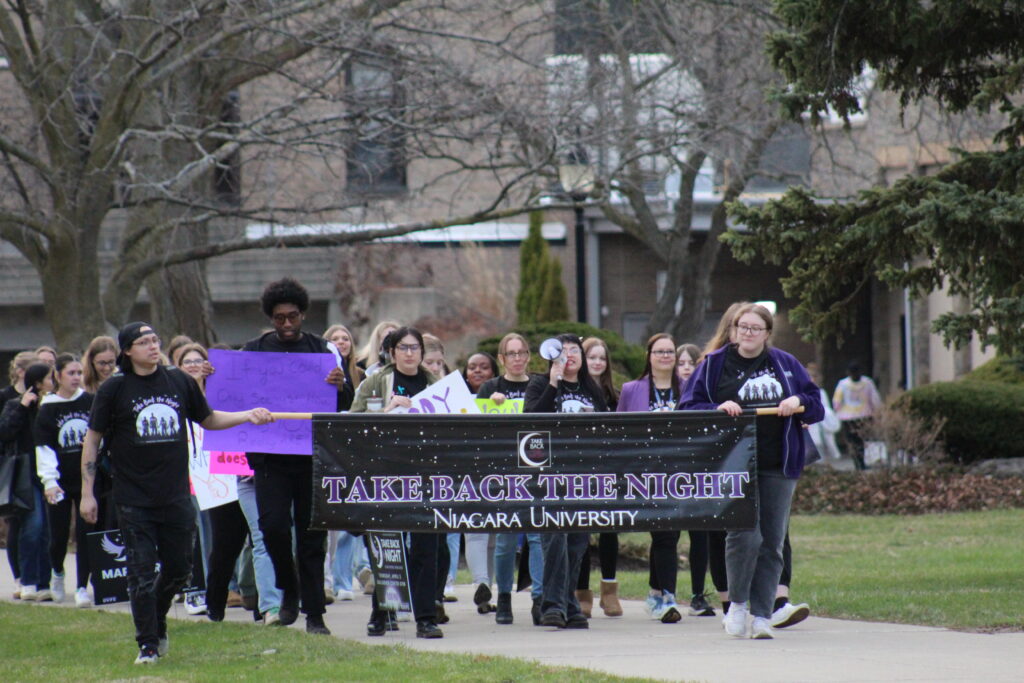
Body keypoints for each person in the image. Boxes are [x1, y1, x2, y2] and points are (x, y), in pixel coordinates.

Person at [79, 321, 274, 664]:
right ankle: (148, 645)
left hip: (176, 495)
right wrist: (87, 493)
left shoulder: (178, 380)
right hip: (133, 497)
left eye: (155, 341)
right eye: (143, 342)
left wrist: (247, 416)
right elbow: (92, 439)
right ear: (127, 351)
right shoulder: (114, 389)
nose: (153, 347)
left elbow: (209, 419)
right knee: (140, 575)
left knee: (178, 569)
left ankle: (156, 616)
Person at [681, 303, 823, 640]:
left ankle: (762, 615)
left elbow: (815, 403)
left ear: (767, 333)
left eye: (755, 328)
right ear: (732, 330)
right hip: (734, 465)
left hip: (779, 464)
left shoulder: (786, 364)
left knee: (772, 541)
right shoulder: (714, 365)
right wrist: (716, 408)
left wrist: (798, 403)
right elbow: (688, 405)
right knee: (744, 536)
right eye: (742, 327)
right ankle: (737, 605)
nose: (748, 333)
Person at [242, 278, 347, 636]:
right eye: (279, 318)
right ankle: (289, 587)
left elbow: (344, 408)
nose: (286, 325)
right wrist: (214, 378)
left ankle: (315, 613)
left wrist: (340, 386)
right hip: (269, 458)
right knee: (271, 528)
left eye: (292, 317)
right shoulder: (253, 351)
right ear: (270, 318)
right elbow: (234, 399)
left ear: (303, 314)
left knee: (311, 537)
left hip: (310, 458)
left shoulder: (322, 351)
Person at [351, 326, 444, 639]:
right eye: (402, 348)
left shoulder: (436, 385)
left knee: (425, 547)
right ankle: (382, 612)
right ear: (391, 352)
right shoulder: (376, 381)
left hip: (427, 475)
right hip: (386, 475)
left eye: (415, 347)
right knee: (387, 546)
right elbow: (352, 423)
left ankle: (426, 617)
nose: (409, 353)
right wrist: (387, 413)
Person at [525, 333, 608, 629]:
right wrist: (553, 383)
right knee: (554, 539)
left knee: (576, 542)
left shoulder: (591, 389)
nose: (570, 355)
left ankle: (568, 604)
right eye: (564, 350)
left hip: (582, 475)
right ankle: (552, 605)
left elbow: (604, 428)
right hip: (548, 474)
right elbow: (531, 420)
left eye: (576, 350)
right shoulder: (538, 383)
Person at [618, 333, 685, 623]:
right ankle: (664, 595)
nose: (665, 356)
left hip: (679, 472)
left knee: (670, 533)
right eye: (659, 351)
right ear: (649, 355)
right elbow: (620, 429)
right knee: (662, 532)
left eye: (670, 351)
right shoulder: (631, 389)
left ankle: (659, 594)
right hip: (644, 474)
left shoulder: (688, 388)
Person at [478, 333, 543, 625]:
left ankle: (539, 598)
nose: (517, 358)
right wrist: (493, 405)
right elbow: (480, 431)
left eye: (521, 353)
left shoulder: (539, 386)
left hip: (534, 472)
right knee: (504, 540)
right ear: (501, 359)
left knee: (536, 536)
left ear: (528, 356)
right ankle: (503, 596)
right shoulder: (490, 387)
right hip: (503, 474)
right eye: (511, 354)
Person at [34, 353, 95, 607]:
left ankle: (82, 586)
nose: (76, 378)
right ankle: (57, 572)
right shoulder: (48, 408)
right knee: (58, 534)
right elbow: (44, 447)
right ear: (57, 376)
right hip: (59, 480)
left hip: (86, 480)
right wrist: (49, 482)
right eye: (71, 373)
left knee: (86, 533)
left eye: (79, 373)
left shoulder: (90, 402)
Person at [677, 341, 727, 618]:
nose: (685, 369)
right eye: (680, 363)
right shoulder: (671, 392)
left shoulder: (705, 390)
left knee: (703, 535)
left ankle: (699, 594)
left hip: (705, 469)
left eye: (690, 364)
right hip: (674, 471)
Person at [1, 363, 55, 602]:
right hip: (27, 474)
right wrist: (22, 408)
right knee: (32, 527)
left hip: (50, 473)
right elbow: (4, 432)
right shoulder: (17, 404)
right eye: (48, 378)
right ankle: (28, 580)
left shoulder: (52, 405)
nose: (52, 381)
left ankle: (44, 582)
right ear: (38, 382)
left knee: (46, 531)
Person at [576, 336, 621, 618]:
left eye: (601, 358)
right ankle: (581, 593)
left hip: (608, 470)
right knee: (581, 531)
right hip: (577, 471)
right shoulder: (573, 391)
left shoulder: (614, 395)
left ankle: (609, 591)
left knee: (609, 529)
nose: (597, 362)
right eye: (591, 357)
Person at [461, 350, 498, 614]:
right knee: (475, 529)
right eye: (471, 367)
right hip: (468, 472)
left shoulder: (500, 399)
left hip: (497, 471)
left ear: (493, 373)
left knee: (495, 535)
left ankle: (488, 592)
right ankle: (480, 583)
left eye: (483, 367)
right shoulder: (454, 399)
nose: (476, 371)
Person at [2, 351, 38, 599]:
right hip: (16, 469)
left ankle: (33, 577)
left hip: (38, 467)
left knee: (36, 526)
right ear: (21, 372)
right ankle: (20, 577)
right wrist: (21, 407)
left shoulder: (41, 399)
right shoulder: (7, 398)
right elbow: (3, 432)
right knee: (18, 523)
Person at [833, 361, 883, 470]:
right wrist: (877, 411)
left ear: (848, 372)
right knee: (861, 439)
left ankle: (857, 462)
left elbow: (837, 401)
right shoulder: (868, 383)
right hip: (864, 415)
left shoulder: (843, 384)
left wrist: (837, 411)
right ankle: (861, 462)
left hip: (847, 417)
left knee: (851, 440)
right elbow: (875, 399)